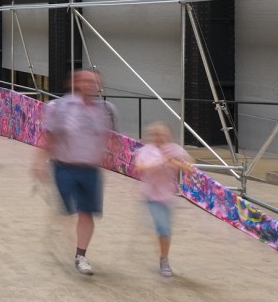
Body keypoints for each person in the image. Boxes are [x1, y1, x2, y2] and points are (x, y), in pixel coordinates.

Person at [38, 69, 117, 275]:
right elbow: (50, 135)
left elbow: (107, 136)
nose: (90, 84)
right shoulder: (61, 106)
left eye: (94, 81)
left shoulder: (104, 109)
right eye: (85, 80)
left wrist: (107, 156)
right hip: (65, 166)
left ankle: (81, 255)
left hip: (90, 169)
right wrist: (39, 162)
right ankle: (58, 231)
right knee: (66, 211)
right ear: (75, 83)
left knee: (86, 212)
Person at [134, 122, 190, 277]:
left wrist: (177, 162)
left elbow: (189, 166)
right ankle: (163, 258)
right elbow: (140, 167)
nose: (159, 137)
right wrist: (160, 162)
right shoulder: (146, 150)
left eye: (162, 134)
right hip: (151, 196)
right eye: (156, 134)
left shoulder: (175, 149)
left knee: (165, 230)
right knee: (162, 227)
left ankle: (164, 258)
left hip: (167, 196)